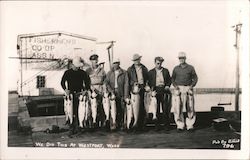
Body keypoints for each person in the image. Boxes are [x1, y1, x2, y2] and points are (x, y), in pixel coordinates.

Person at [61, 56, 91, 136]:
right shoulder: (67, 72)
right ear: (73, 65)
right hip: (70, 95)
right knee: (71, 111)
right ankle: (71, 128)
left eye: (79, 66)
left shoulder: (83, 73)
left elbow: (88, 82)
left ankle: (79, 127)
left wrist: (86, 90)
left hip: (80, 94)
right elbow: (62, 82)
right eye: (76, 66)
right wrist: (65, 89)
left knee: (79, 111)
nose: (77, 68)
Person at [172, 52, 198, 132]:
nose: (181, 59)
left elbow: (195, 78)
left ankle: (190, 125)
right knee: (177, 108)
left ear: (185, 58)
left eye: (182, 58)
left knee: (190, 107)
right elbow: (172, 78)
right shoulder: (176, 68)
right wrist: (175, 86)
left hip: (188, 88)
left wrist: (192, 85)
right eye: (180, 58)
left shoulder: (190, 68)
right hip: (178, 89)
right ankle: (180, 125)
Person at [105, 59, 129, 131]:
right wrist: (111, 91)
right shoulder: (109, 73)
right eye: (114, 63)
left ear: (119, 63)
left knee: (121, 108)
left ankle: (122, 124)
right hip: (113, 92)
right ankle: (113, 124)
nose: (115, 65)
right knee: (113, 109)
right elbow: (106, 83)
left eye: (117, 63)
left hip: (120, 92)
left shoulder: (124, 72)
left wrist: (126, 95)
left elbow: (126, 84)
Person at [148, 57, 172, 131]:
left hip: (164, 90)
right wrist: (151, 89)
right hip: (155, 91)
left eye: (160, 63)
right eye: (158, 63)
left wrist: (168, 85)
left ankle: (166, 125)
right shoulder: (151, 72)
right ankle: (157, 125)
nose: (159, 64)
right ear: (155, 63)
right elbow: (148, 82)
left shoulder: (165, 71)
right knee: (156, 109)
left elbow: (169, 80)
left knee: (165, 109)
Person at [127, 54, 148, 131]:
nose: (137, 61)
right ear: (133, 61)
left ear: (140, 59)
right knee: (134, 108)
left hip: (142, 88)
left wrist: (146, 86)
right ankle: (134, 124)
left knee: (142, 107)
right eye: (135, 60)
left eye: (138, 59)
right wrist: (133, 84)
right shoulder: (130, 69)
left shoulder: (144, 68)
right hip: (134, 90)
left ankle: (142, 125)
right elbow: (128, 80)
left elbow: (146, 78)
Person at [86, 54, 106, 128]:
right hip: (92, 90)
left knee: (101, 107)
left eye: (96, 60)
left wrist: (104, 90)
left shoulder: (102, 70)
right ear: (91, 61)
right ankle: (91, 124)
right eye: (94, 60)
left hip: (100, 89)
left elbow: (105, 81)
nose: (96, 62)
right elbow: (86, 82)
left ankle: (102, 124)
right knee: (92, 107)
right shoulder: (88, 71)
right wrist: (90, 90)